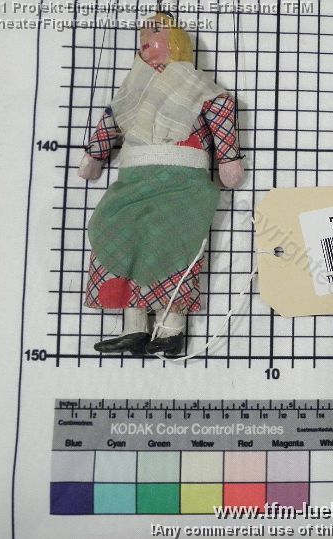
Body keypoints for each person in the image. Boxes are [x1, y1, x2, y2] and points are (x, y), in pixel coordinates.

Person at [78, 13, 244, 355]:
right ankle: (134, 327)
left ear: (176, 41)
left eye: (155, 31)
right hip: (134, 178)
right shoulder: (132, 88)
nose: (145, 37)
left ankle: (171, 329)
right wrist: (95, 155)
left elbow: (220, 109)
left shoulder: (197, 85)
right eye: (143, 32)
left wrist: (228, 158)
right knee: (123, 239)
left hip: (183, 179)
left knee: (173, 248)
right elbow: (112, 119)